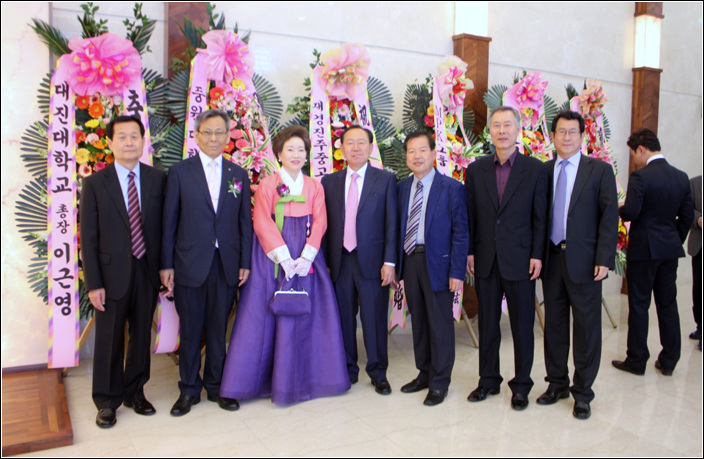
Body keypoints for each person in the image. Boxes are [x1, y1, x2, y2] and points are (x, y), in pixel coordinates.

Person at [219, 125, 350, 405]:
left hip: (306, 255)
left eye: (301, 149)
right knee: (264, 315)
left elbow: (321, 221)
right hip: (272, 257)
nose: (296, 154)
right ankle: (261, 382)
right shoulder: (268, 184)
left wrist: (307, 256)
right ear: (279, 154)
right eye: (290, 149)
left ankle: (310, 379)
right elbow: (261, 222)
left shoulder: (314, 186)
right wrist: (283, 257)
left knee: (309, 313)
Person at [160, 109, 253, 416]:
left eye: (219, 132)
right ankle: (188, 389)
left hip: (226, 264)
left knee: (218, 329)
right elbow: (169, 222)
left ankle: (216, 386)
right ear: (197, 135)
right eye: (207, 132)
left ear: (228, 136)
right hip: (189, 263)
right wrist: (166, 265)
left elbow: (244, 223)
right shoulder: (179, 172)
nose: (213, 138)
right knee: (190, 330)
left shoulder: (238, 174)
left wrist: (244, 261)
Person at [80, 115, 166, 428]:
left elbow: (165, 228)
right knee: (109, 338)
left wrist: (165, 268)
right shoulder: (95, 183)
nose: (129, 142)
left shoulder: (158, 179)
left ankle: (135, 392)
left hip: (147, 270)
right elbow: (88, 237)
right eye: (122, 137)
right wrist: (94, 283)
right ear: (110, 143)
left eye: (134, 136)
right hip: (110, 274)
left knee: (141, 335)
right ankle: (106, 401)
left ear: (143, 141)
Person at [465, 106, 548, 411]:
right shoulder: (476, 170)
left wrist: (537, 254)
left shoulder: (535, 169)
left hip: (521, 259)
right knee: (487, 324)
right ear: (490, 131)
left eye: (507, 125)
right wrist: (470, 251)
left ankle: (522, 385)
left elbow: (541, 217)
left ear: (517, 130)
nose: (502, 130)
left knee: (522, 325)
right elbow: (471, 215)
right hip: (486, 259)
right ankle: (488, 380)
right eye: (496, 125)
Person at [536, 111, 618, 420]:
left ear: (582, 136)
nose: (567, 137)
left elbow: (609, 217)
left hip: (585, 262)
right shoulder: (544, 171)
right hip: (552, 259)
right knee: (554, 326)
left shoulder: (599, 171)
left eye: (573, 132)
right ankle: (557, 383)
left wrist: (604, 259)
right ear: (552, 136)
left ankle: (583, 393)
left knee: (586, 329)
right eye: (561, 131)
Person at [321, 126, 398, 394]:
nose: (356, 148)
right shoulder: (329, 182)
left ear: (370, 147)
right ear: (341, 148)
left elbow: (392, 223)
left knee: (374, 318)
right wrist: (324, 262)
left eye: (361, 142)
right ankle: (347, 369)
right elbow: (324, 226)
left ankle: (378, 372)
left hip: (374, 263)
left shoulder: (385, 180)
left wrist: (390, 262)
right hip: (340, 261)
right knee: (343, 318)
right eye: (350, 143)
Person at [613, 128, 694, 376]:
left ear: (641, 149)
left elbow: (632, 212)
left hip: (644, 251)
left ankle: (636, 360)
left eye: (633, 155)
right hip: (669, 251)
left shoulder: (641, 177)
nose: (635, 160)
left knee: (639, 304)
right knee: (667, 304)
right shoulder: (681, 177)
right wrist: (673, 240)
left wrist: (619, 207)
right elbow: (687, 216)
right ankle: (669, 360)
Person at [397, 131, 468, 407]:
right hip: (411, 261)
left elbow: (461, 233)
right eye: (411, 151)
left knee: (440, 324)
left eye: (422, 150)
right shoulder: (402, 188)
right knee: (420, 322)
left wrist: (457, 272)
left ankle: (440, 382)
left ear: (433, 153)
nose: (417, 156)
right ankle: (424, 373)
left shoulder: (451, 188)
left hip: (439, 263)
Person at [687, 175, 702, 351]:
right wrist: (698, 219)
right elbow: (686, 210)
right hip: (699, 246)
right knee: (698, 289)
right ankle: (700, 326)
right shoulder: (695, 183)